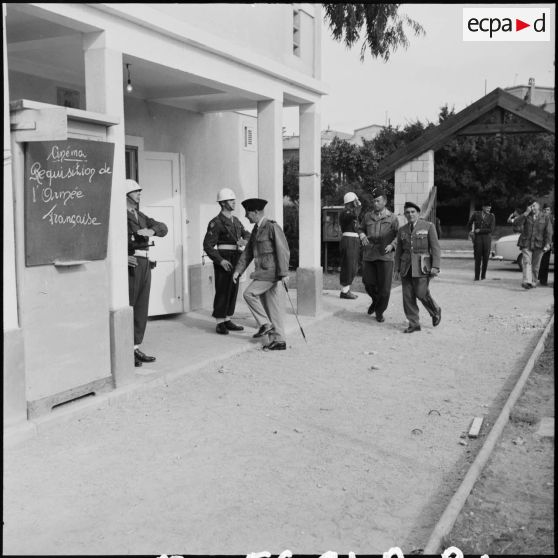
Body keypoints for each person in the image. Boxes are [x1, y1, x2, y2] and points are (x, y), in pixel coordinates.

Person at [232, 198, 290, 351]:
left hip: (270, 273)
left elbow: (282, 249)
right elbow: (248, 253)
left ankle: (265, 324)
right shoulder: (256, 230)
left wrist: (284, 273)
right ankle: (279, 341)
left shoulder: (272, 227)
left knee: (249, 294)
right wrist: (238, 270)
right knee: (272, 308)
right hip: (262, 273)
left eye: (247, 213)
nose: (246, 216)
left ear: (256, 212)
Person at [126, 179, 168, 367]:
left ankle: (135, 347)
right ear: (126, 195)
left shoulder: (140, 215)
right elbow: (113, 241)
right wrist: (122, 258)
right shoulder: (120, 216)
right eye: (136, 192)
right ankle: (125, 349)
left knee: (142, 306)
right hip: (131, 262)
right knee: (130, 304)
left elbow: (163, 227)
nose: (139, 194)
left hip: (144, 261)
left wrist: (151, 230)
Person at [203, 188, 251, 334]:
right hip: (224, 258)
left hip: (236, 257)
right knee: (223, 290)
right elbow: (208, 245)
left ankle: (228, 318)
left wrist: (245, 240)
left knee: (233, 289)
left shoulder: (236, 220)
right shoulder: (216, 222)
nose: (234, 202)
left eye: (233, 200)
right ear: (223, 203)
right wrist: (220, 260)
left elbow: (247, 233)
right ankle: (219, 322)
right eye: (231, 200)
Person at [394, 201, 442, 333]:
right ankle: (414, 323)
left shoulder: (428, 226)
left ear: (418, 213)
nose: (410, 214)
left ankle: (435, 310)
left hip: (422, 266)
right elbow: (399, 251)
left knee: (421, 293)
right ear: (405, 214)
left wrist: (435, 266)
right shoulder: (402, 230)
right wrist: (396, 269)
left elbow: (435, 248)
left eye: (412, 212)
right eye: (407, 212)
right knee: (408, 296)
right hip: (406, 267)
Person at [357, 187, 399, 323]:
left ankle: (379, 312)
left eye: (378, 201)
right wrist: (362, 234)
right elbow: (360, 228)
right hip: (369, 254)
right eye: (374, 201)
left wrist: (393, 245)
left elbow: (400, 235)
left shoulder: (392, 218)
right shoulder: (367, 216)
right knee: (368, 283)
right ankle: (375, 302)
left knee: (385, 288)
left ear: (385, 201)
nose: (375, 203)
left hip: (385, 256)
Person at [511, 200, 553, 289]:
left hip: (539, 244)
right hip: (526, 243)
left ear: (538, 207)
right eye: (530, 206)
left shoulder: (545, 217)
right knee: (526, 262)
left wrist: (548, 243)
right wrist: (525, 213)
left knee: (535, 266)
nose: (532, 207)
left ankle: (533, 282)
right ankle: (526, 281)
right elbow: (516, 223)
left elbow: (549, 231)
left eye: (534, 206)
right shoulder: (526, 215)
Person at [339, 191, 362, 299]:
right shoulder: (345, 212)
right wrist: (359, 205)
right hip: (348, 240)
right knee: (348, 265)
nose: (357, 203)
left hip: (353, 240)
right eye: (355, 201)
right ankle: (345, 291)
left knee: (353, 266)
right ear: (351, 201)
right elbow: (355, 214)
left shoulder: (351, 212)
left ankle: (346, 290)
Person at [467, 201, 496, 281]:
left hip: (487, 239)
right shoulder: (476, 214)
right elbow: (469, 224)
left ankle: (483, 275)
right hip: (478, 239)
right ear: (483, 207)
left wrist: (480, 230)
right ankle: (476, 276)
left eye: (490, 208)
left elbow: (491, 229)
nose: (488, 209)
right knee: (477, 258)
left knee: (486, 258)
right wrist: (470, 232)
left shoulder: (492, 216)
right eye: (487, 207)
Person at [538, 203, 554, 286]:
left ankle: (543, 280)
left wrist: (551, 243)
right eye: (544, 210)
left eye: (547, 210)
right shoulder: (540, 217)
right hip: (540, 242)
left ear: (550, 211)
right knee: (540, 261)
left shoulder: (552, 219)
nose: (546, 211)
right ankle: (541, 278)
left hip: (549, 243)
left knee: (545, 262)